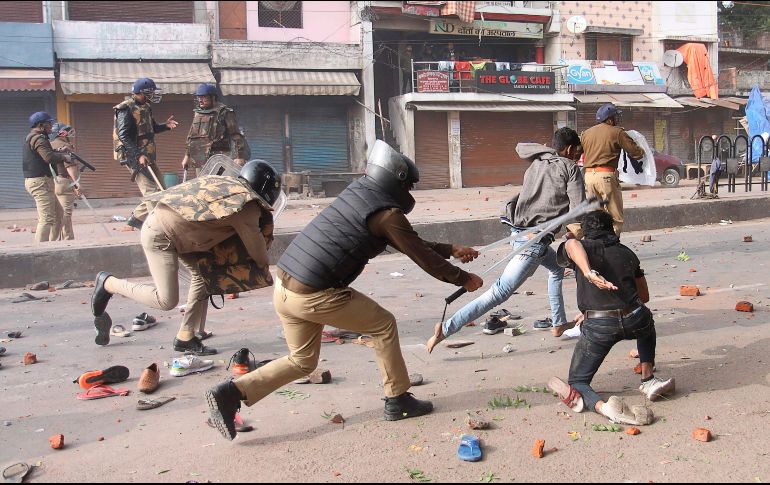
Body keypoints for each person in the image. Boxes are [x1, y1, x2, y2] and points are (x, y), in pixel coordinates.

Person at [205, 140, 483, 441]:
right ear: (396, 182)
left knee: (302, 361)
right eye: (409, 187)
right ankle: (398, 400)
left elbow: (409, 242)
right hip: (313, 294)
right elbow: (421, 256)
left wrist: (451, 249)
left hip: (285, 286)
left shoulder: (359, 194)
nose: (410, 194)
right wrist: (463, 279)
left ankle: (231, 392)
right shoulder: (387, 215)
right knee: (383, 324)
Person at [89, 161, 280, 359]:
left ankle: (185, 337)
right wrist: (264, 268)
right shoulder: (247, 206)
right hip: (160, 236)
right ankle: (109, 283)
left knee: (202, 276)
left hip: (177, 233)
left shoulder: (225, 184)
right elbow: (257, 250)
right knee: (166, 300)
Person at [427, 128, 586, 352]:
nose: (578, 157)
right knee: (498, 293)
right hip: (533, 244)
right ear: (569, 149)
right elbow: (579, 210)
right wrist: (576, 231)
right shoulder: (569, 167)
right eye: (578, 152)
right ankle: (446, 328)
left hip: (519, 235)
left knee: (557, 268)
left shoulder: (537, 162)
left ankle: (558, 323)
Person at [548, 210, 675, 425]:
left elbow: (570, 245)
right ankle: (648, 379)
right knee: (646, 322)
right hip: (635, 318)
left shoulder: (580, 249)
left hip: (599, 326)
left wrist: (588, 273)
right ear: (611, 229)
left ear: (584, 232)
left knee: (578, 381)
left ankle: (605, 408)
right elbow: (644, 296)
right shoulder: (627, 252)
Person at [113, 77, 179, 229]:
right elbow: (124, 136)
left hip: (147, 154)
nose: (153, 94)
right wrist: (138, 155)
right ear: (140, 93)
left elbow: (153, 128)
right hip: (134, 156)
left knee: (162, 189)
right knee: (151, 192)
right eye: (150, 92)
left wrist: (166, 126)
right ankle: (157, 227)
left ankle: (133, 221)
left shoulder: (146, 107)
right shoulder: (125, 108)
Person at [580, 103, 644, 236]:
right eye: (615, 117)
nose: (616, 119)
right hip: (606, 176)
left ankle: (594, 243)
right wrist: (642, 150)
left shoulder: (586, 133)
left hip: (588, 177)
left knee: (594, 216)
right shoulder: (617, 132)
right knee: (615, 216)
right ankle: (613, 244)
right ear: (609, 119)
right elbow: (635, 152)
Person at [181, 83, 250, 177]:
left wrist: (240, 157)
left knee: (219, 187)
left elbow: (236, 135)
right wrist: (187, 156)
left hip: (220, 159)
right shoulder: (198, 113)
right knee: (202, 187)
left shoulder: (224, 113)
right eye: (198, 97)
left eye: (203, 97)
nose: (200, 100)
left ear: (213, 97)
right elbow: (191, 137)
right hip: (200, 160)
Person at [23, 112, 72, 243]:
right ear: (41, 125)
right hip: (40, 182)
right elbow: (48, 157)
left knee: (58, 215)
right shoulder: (38, 138)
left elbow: (47, 153)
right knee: (47, 219)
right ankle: (39, 250)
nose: (51, 126)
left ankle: (52, 244)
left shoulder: (37, 137)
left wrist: (59, 151)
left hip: (42, 181)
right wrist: (64, 157)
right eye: (49, 123)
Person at [49, 123, 82, 240]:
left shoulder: (49, 145)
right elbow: (70, 167)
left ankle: (52, 240)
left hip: (50, 182)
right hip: (63, 182)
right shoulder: (65, 146)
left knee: (55, 215)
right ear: (62, 133)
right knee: (66, 214)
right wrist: (77, 184)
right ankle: (68, 240)